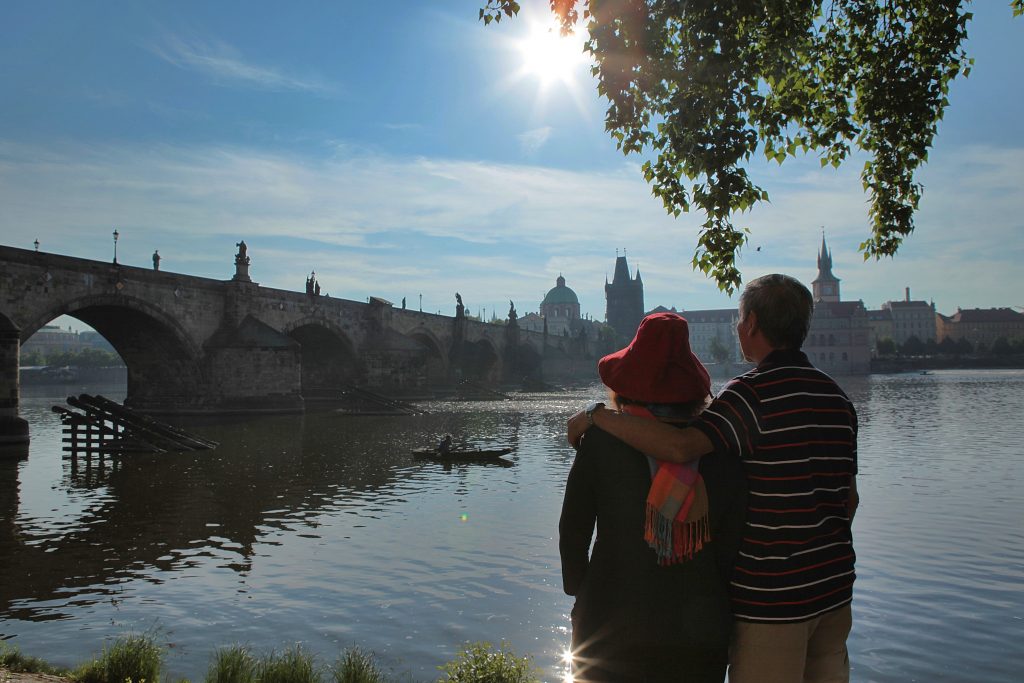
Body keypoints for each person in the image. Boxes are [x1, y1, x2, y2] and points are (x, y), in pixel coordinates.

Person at [568, 274, 859, 683]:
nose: (737, 328)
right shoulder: (837, 399)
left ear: (753, 323)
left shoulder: (749, 396)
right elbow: (850, 500)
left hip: (773, 600)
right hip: (834, 593)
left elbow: (680, 447)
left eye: (740, 319)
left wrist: (596, 416)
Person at [560, 312, 747, 682]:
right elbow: (733, 542)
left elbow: (573, 531)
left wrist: (582, 592)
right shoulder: (719, 446)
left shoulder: (601, 442)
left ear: (625, 384)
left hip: (610, 623)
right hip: (699, 630)